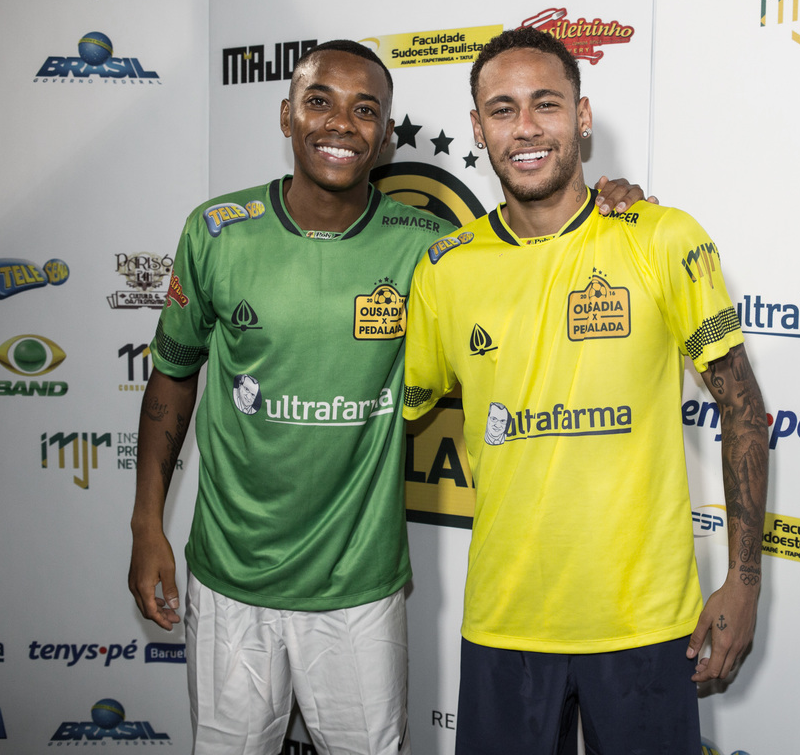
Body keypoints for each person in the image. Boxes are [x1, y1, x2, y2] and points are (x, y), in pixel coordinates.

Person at [127, 38, 649, 755]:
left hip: (361, 588)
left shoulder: (431, 246)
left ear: (384, 133)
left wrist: (613, 208)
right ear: (285, 115)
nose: (341, 124)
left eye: (365, 109)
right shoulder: (217, 232)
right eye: (319, 101)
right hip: (228, 581)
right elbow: (172, 374)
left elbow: (532, 261)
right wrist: (145, 523)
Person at [402, 27, 770, 754]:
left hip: (646, 624)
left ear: (583, 116)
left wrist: (745, 580)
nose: (525, 128)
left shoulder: (660, 236)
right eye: (502, 110)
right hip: (505, 622)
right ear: (477, 128)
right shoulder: (445, 268)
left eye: (546, 104)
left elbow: (742, 410)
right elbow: (393, 413)